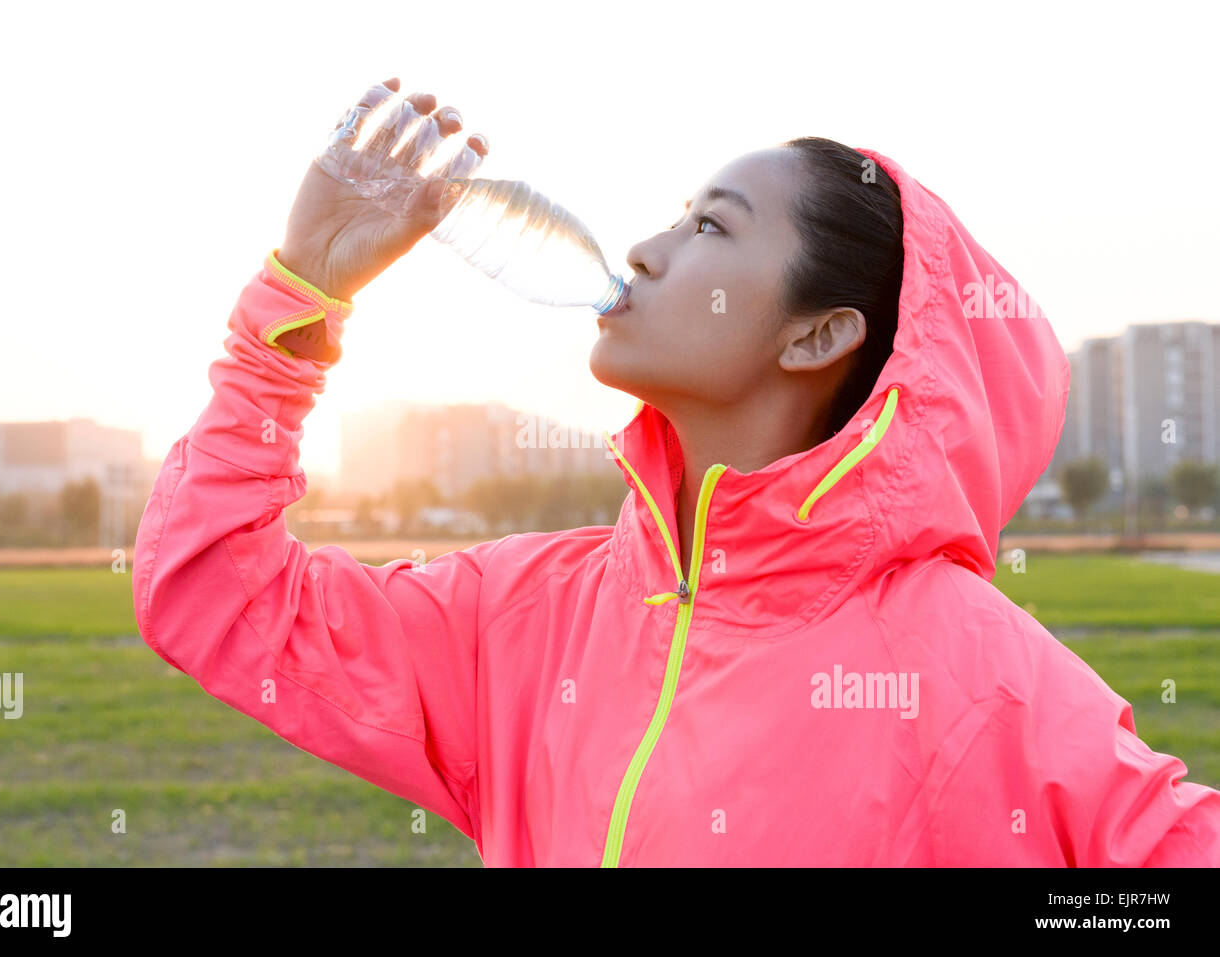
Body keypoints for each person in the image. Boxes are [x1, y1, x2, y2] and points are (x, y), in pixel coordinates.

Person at [132, 77, 1220, 866]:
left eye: (709, 226)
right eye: (673, 216)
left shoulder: (968, 668)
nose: (647, 252)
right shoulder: (525, 619)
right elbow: (213, 594)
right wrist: (298, 302)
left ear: (815, 337)